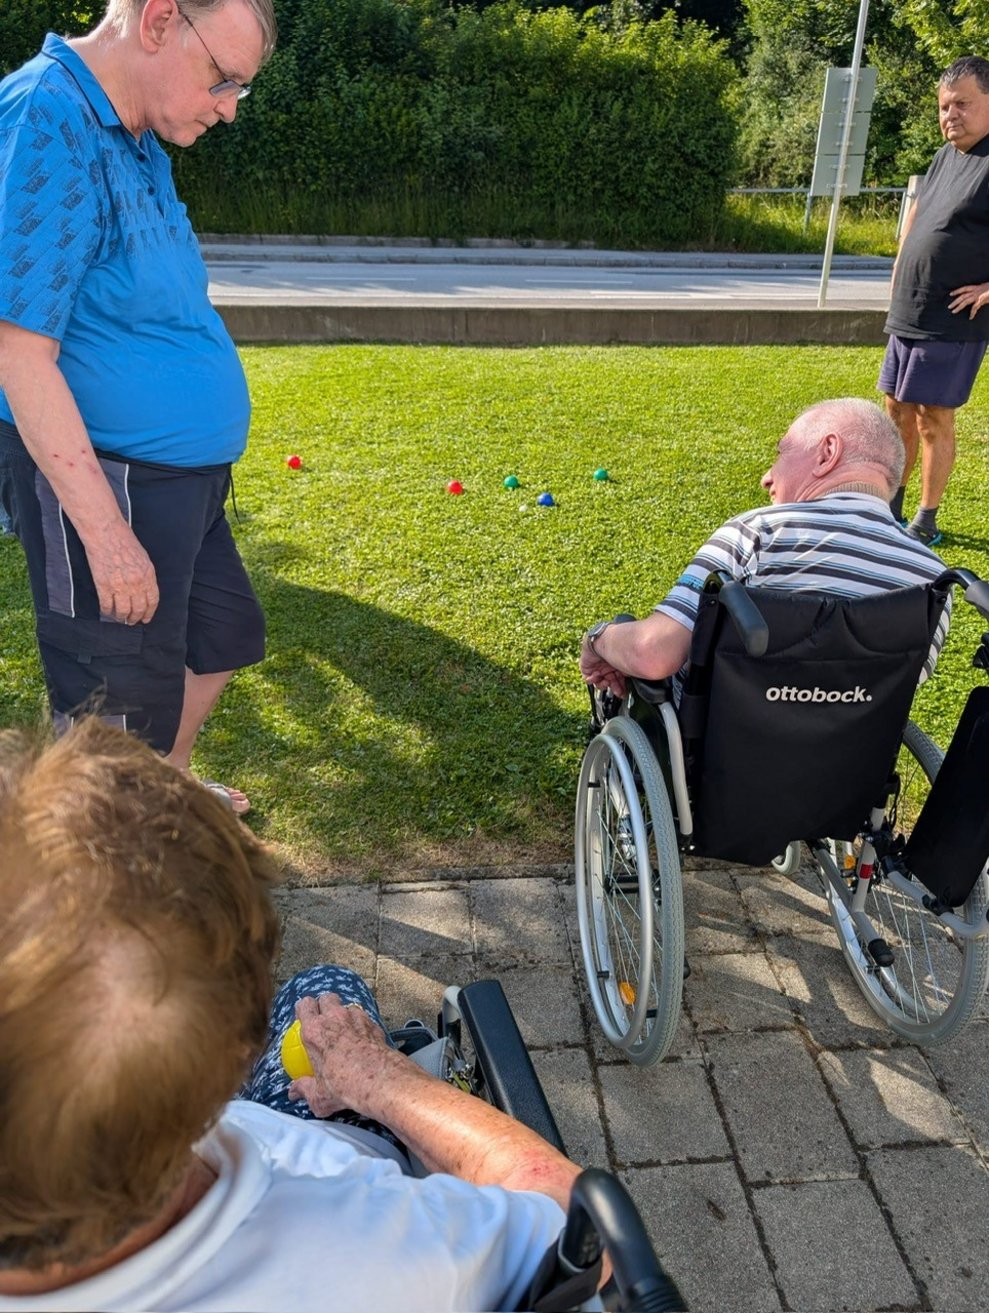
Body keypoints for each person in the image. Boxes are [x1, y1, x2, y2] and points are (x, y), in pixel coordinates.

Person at [0, 718, 584, 1312]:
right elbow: (582, 1231)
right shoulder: (374, 1244)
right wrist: (379, 1078)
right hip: (324, 1143)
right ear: (233, 1059)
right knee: (327, 989)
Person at [0, 0, 277, 814]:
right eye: (223, 79)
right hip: (111, 478)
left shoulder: (135, 131)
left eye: (239, 89)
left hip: (180, 477)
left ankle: (165, 789)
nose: (228, 108)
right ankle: (101, 859)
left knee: (222, 634)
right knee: (112, 715)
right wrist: (106, 536)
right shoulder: (48, 118)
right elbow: (17, 352)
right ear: (158, 21)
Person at [580, 398, 950, 698]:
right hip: (853, 765)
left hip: (721, 756)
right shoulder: (932, 579)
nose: (767, 477)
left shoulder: (758, 533)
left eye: (782, 452)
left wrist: (598, 639)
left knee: (629, 633)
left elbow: (652, 653)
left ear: (827, 452)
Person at [879, 55, 989, 548]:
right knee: (896, 409)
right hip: (912, 306)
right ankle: (890, 509)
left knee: (932, 417)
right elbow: (919, 212)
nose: (951, 115)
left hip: (953, 317)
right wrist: (901, 264)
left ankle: (925, 520)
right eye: (945, 106)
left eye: (962, 104)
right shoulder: (946, 155)